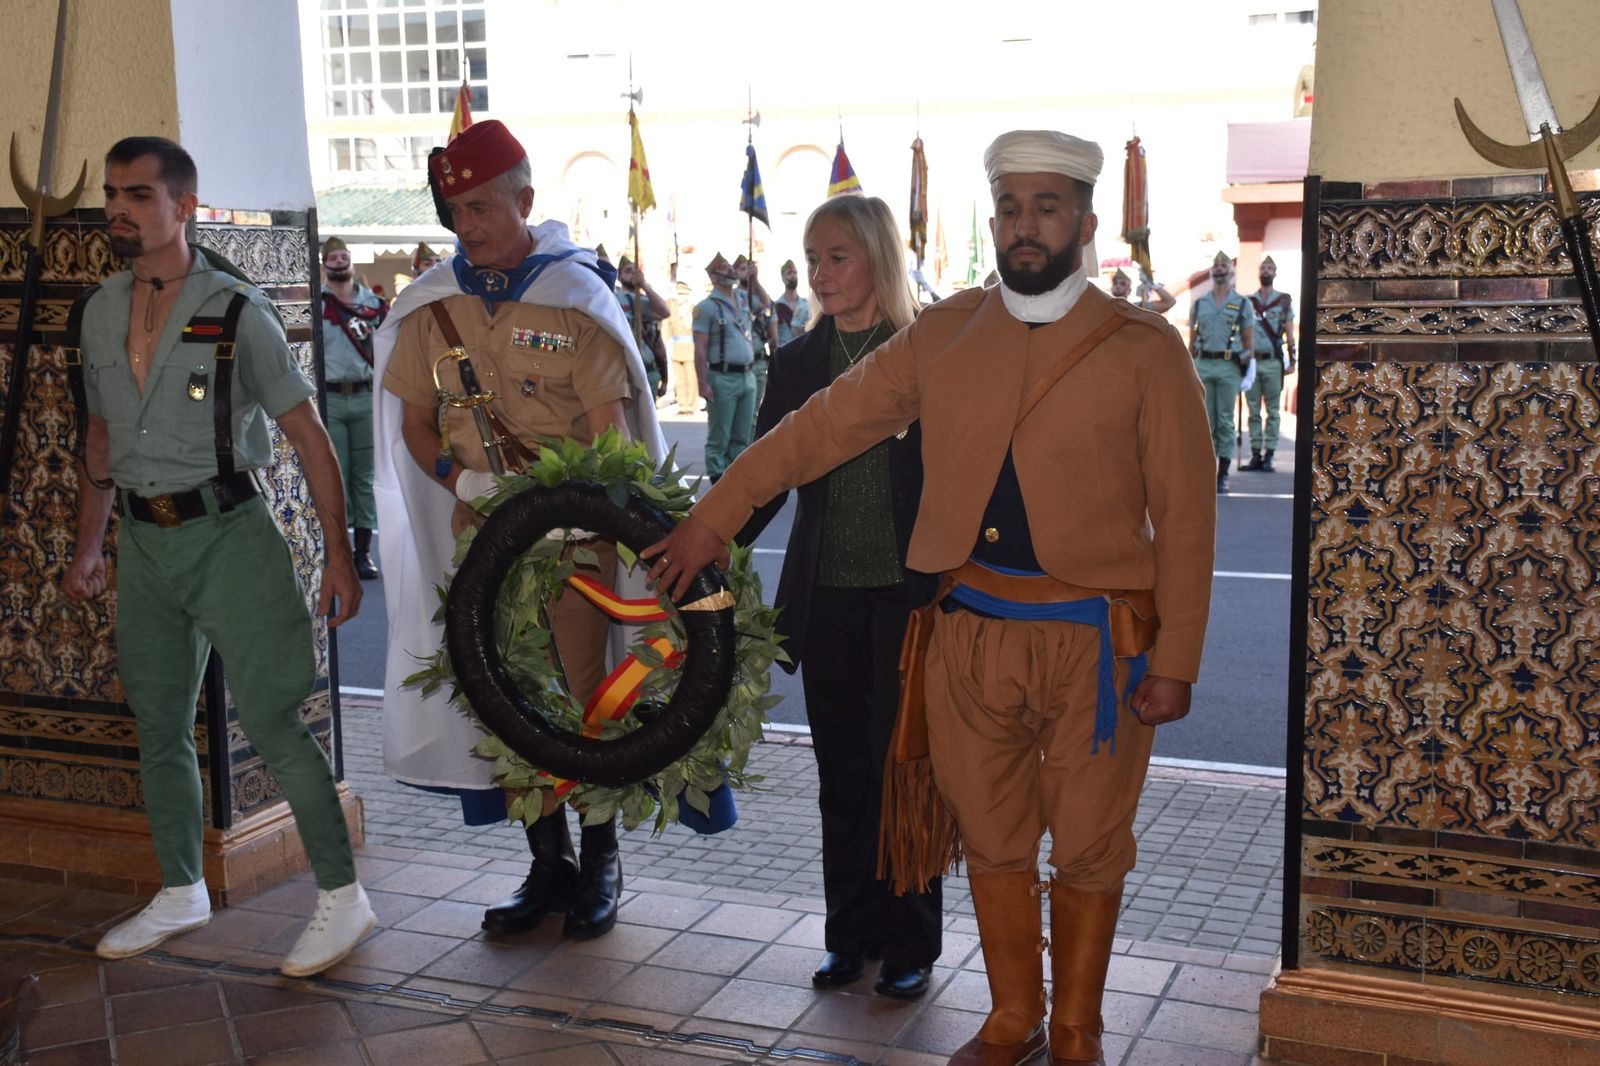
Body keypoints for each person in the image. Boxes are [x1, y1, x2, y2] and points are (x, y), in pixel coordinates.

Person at [644, 129, 1216, 1066]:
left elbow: (1187, 519)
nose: (1024, 228)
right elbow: (819, 428)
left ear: (1084, 220)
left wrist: (1178, 662)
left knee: (1088, 843)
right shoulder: (946, 334)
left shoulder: (1143, 349)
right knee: (988, 834)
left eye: (1046, 208)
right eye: (1010, 209)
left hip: (1097, 647)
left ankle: (1075, 1029)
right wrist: (717, 514)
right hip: (967, 635)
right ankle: (1011, 1019)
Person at [61, 136, 372, 977]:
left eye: (136, 195)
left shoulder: (238, 310)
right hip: (143, 543)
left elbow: (311, 440)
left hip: (230, 535)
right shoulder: (94, 310)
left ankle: (343, 897)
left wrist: (338, 559)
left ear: (183, 208)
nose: (117, 210)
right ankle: (180, 888)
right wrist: (90, 546)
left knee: (274, 719)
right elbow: (97, 436)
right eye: (110, 194)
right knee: (158, 721)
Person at [373, 120, 668, 940]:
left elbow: (612, 432)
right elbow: (415, 426)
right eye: (456, 210)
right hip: (480, 543)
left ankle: (600, 860)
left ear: (525, 201)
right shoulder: (436, 306)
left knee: (582, 702)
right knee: (503, 701)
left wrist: (563, 491)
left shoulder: (574, 297)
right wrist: (461, 478)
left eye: (483, 207)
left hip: (570, 545)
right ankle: (548, 863)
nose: (467, 225)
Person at [737, 195, 941, 1000]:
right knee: (843, 777)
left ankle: (909, 942)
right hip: (826, 603)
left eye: (836, 258)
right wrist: (705, 545)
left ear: (876, 260)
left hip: (910, 603)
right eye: (813, 259)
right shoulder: (794, 364)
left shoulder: (928, 357)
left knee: (907, 775)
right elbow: (761, 481)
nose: (819, 274)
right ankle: (848, 936)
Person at [318, 236, 388, 579]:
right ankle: (338, 551)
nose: (339, 261)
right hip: (330, 398)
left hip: (364, 398)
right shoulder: (317, 306)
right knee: (336, 475)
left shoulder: (374, 306)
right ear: (324, 264)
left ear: (352, 262)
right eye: (332, 257)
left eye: (343, 256)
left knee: (364, 478)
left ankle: (362, 553)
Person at [1188, 251, 1254, 493]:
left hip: (1228, 368)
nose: (1218, 269)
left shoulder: (1242, 304)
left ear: (1231, 270)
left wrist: (1249, 371)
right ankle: (1206, 471)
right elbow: (1192, 343)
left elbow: (1249, 344)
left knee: (1224, 422)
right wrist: (1188, 370)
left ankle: (1223, 475)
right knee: (1205, 422)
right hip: (1203, 365)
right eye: (1215, 266)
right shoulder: (1199, 304)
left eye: (1223, 265)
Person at [693, 253, 758, 481]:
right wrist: (702, 383)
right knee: (719, 436)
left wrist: (754, 278)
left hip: (747, 376)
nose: (731, 271)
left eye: (731, 267)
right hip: (722, 376)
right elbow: (700, 348)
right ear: (713, 276)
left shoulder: (743, 299)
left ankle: (736, 482)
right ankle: (718, 483)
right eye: (725, 268)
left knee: (743, 435)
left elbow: (768, 305)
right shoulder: (706, 307)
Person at [1243, 255, 1296, 472]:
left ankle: (1270, 455)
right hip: (1253, 363)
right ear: (1259, 272)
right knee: (1253, 410)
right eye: (1263, 268)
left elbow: (1290, 333)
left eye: (1270, 268)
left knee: (1273, 411)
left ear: (1275, 273)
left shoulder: (1284, 301)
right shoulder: (1248, 302)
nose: (1266, 271)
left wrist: (1293, 360)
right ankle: (1256, 453)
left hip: (1273, 362)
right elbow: (1242, 332)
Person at [616, 254, 671, 402]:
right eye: (628, 271)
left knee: (648, 424)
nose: (633, 274)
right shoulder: (613, 298)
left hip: (648, 369)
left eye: (636, 271)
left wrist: (644, 285)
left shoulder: (644, 300)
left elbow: (664, 312)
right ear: (618, 275)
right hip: (623, 373)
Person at [734, 254, 780, 417]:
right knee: (740, 415)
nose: (746, 273)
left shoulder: (759, 295)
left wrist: (755, 280)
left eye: (748, 269)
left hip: (759, 361)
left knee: (754, 413)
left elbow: (768, 305)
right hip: (739, 364)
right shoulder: (732, 297)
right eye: (742, 269)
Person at [665, 280, 700, 413]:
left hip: (691, 349)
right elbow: (667, 328)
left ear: (687, 295)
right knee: (679, 380)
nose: (680, 297)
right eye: (678, 294)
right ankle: (682, 404)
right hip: (676, 349)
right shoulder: (673, 309)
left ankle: (691, 405)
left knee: (691, 379)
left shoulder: (693, 310)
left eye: (682, 294)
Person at [774, 258, 811, 348]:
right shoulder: (777, 306)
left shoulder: (806, 304)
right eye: (789, 273)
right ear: (782, 277)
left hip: (803, 351)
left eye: (795, 273)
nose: (793, 276)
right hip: (784, 352)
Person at [1110, 267, 1175, 314]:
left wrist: (1152, 284)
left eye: (1123, 284)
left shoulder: (1139, 308)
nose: (1118, 286)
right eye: (1115, 283)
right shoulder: (1103, 305)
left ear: (1129, 291)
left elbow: (1170, 302)